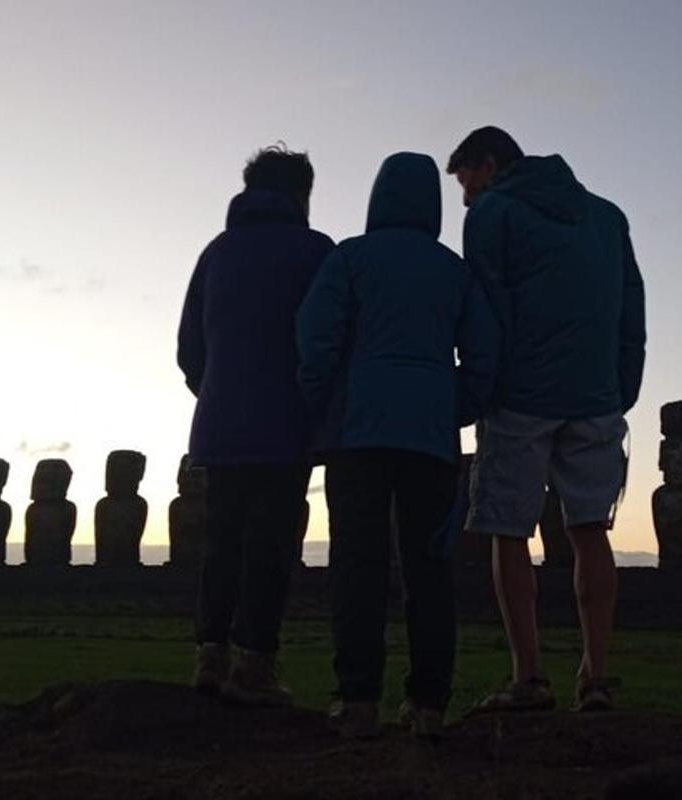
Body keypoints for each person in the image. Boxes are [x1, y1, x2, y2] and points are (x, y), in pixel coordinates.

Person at [296, 152, 499, 738]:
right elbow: (484, 357)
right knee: (429, 569)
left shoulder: (350, 258)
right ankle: (428, 703)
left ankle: (357, 699)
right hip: (431, 439)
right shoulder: (454, 271)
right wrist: (451, 406)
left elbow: (315, 338)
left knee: (356, 564)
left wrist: (322, 404)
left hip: (358, 433)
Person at [447, 126, 646, 713]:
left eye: (467, 181)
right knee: (590, 530)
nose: (465, 197)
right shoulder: (607, 216)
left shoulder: (493, 214)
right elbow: (630, 306)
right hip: (596, 394)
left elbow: (486, 309)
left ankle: (528, 676)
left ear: (489, 165)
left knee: (507, 529)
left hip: (520, 396)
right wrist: (621, 386)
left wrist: (480, 390)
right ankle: (596, 676)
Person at [177, 144, 334, 706]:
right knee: (270, 546)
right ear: (300, 195)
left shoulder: (216, 253)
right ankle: (254, 665)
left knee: (221, 543)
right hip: (286, 425)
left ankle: (209, 656)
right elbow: (332, 339)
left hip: (220, 424)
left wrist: (217, 391)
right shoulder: (317, 252)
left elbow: (188, 349)